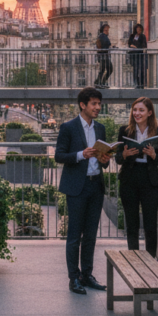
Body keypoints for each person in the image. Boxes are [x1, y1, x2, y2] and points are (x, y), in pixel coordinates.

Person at [55, 86, 112, 295]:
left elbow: (103, 162)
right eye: (94, 104)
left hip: (96, 185)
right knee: (74, 236)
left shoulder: (101, 128)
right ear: (83, 105)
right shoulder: (68, 127)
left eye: (99, 104)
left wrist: (104, 160)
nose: (98, 107)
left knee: (90, 235)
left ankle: (87, 275)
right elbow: (59, 156)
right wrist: (81, 154)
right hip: (77, 187)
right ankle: (74, 278)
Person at [114, 97, 158, 253]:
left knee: (150, 224)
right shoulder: (125, 131)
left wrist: (153, 155)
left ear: (149, 112)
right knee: (132, 223)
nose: (137, 113)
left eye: (141, 110)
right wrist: (124, 155)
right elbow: (117, 159)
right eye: (135, 110)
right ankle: (134, 257)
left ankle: (151, 259)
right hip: (129, 178)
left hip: (149, 180)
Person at [127, 24, 148, 89]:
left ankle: (141, 84)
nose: (139, 30)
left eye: (140, 29)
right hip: (133, 55)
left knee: (141, 70)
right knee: (135, 70)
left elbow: (144, 45)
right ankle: (136, 83)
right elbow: (129, 44)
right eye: (138, 29)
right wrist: (133, 46)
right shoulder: (132, 36)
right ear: (135, 29)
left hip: (140, 55)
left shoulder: (142, 36)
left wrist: (136, 47)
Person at [94, 24, 113, 89]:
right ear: (103, 29)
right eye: (106, 29)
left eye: (108, 29)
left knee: (107, 69)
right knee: (105, 69)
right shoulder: (102, 36)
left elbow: (107, 45)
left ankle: (100, 82)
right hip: (103, 55)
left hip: (105, 55)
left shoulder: (105, 36)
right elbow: (100, 45)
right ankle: (99, 83)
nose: (108, 30)